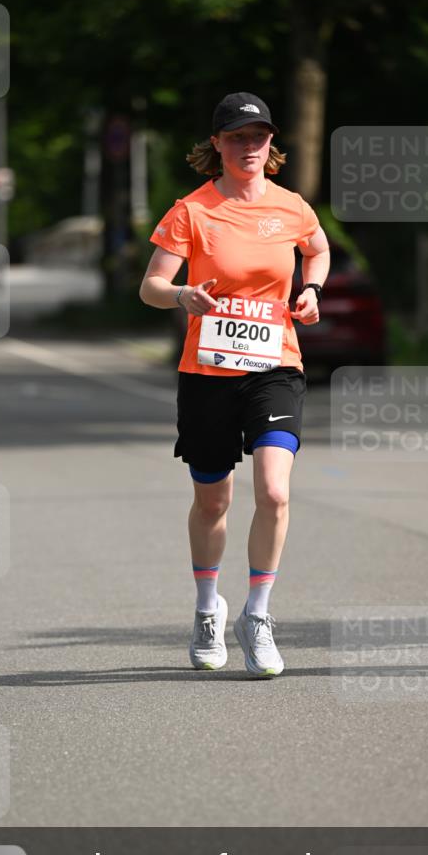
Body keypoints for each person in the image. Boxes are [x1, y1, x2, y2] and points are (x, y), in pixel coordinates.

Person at [139, 92, 330, 678]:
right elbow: (150, 285)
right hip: (208, 374)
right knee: (213, 499)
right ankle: (206, 608)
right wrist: (181, 295)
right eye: (239, 137)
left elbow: (317, 250)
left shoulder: (291, 206)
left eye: (260, 137)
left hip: (275, 366)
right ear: (217, 145)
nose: (250, 147)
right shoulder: (191, 211)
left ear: (272, 145)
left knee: (274, 492)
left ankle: (259, 615)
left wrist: (311, 290)